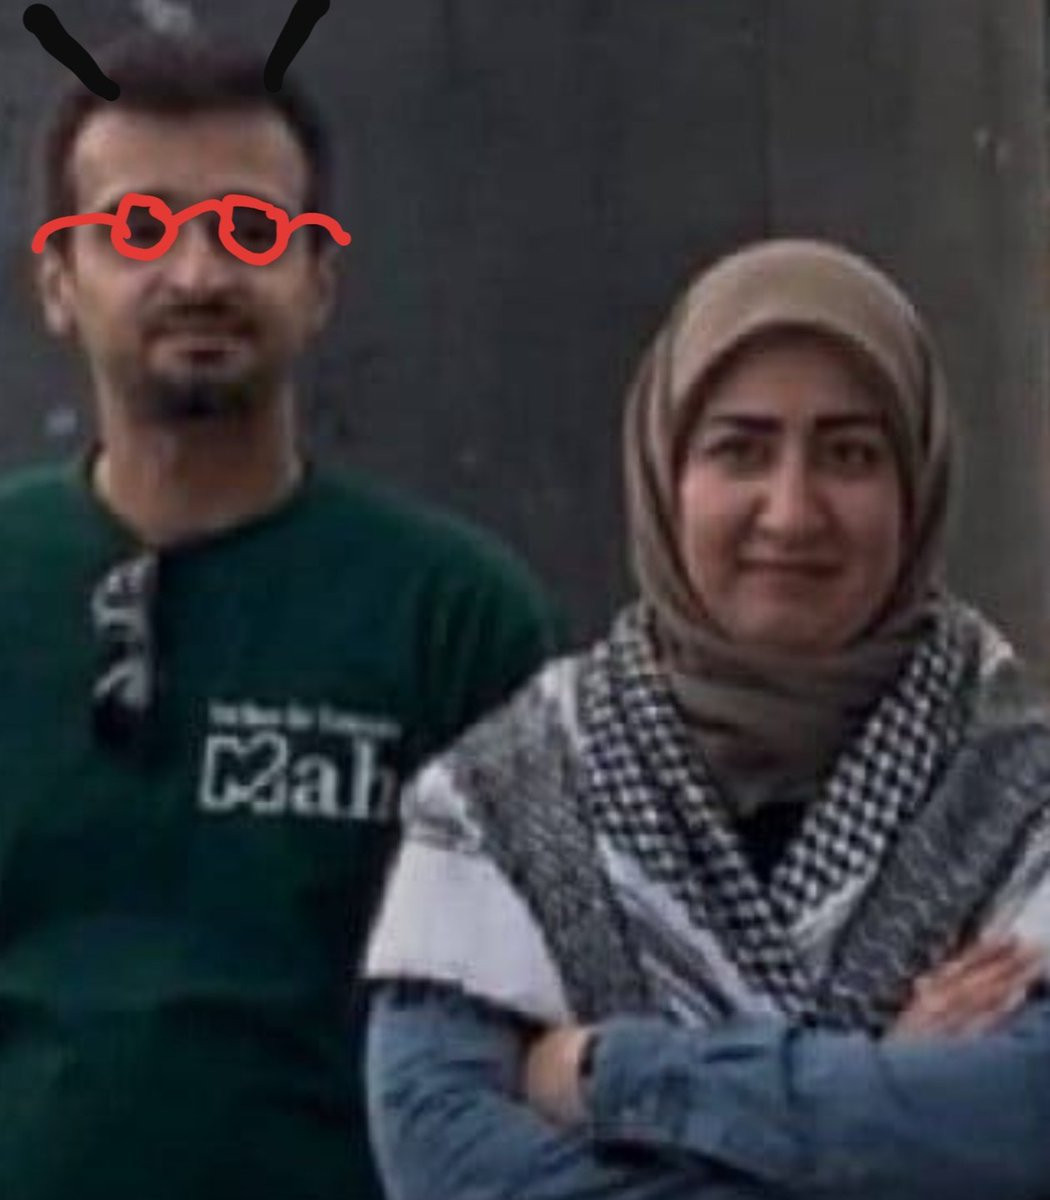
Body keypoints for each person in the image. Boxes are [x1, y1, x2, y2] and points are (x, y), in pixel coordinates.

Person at [365, 239, 1050, 1200]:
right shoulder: (510, 793)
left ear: (919, 483)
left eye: (850, 455)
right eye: (741, 450)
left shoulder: (1022, 791)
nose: (792, 512)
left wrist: (613, 1074)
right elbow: (442, 1151)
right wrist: (893, 1105)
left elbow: (1025, 1119)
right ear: (665, 473)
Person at [1, 30, 560, 1200]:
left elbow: (544, 1030)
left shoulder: (457, 619)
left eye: (251, 229)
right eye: (139, 229)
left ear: (319, 283)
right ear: (56, 283)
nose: (198, 273)